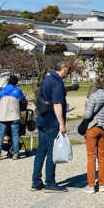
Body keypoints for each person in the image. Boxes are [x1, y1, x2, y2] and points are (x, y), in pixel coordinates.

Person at [32, 60, 71, 192]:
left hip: (42, 119)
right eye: (68, 68)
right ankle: (50, 182)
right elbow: (57, 104)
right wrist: (61, 123)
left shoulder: (47, 79)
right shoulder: (57, 82)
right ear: (63, 68)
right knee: (51, 152)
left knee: (40, 151)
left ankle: (36, 181)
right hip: (52, 121)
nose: (68, 71)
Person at [83, 74, 104, 193]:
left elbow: (87, 115)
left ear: (96, 83)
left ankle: (91, 185)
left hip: (93, 127)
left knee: (91, 157)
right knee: (102, 156)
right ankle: (102, 184)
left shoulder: (93, 96)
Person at [0, 75, 27, 160]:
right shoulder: (18, 90)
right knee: (15, 135)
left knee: (1, 135)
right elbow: (24, 100)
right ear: (16, 82)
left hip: (3, 116)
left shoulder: (2, 91)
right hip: (14, 115)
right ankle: (15, 154)